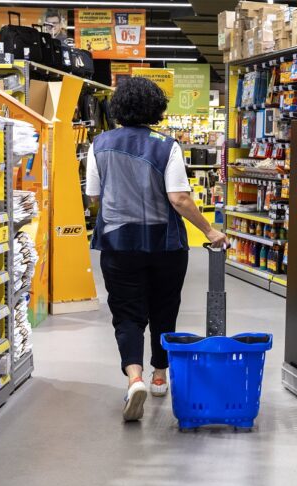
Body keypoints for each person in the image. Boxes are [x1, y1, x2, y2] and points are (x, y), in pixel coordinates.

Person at [85, 76, 228, 422]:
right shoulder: (166, 145)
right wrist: (210, 230)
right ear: (156, 108)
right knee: (164, 309)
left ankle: (134, 378)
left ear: (117, 107)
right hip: (165, 245)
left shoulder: (99, 144)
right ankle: (160, 375)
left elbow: (93, 197)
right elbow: (179, 198)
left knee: (127, 314)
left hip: (118, 245)